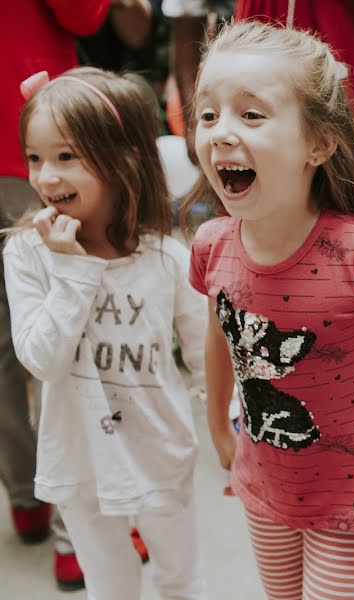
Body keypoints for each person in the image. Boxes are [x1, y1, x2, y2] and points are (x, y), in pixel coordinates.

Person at [186, 21, 354, 599]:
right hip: (263, 484)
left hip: (347, 494)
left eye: (251, 115)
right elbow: (220, 335)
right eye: (208, 115)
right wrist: (218, 430)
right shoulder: (212, 243)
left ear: (319, 143)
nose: (222, 132)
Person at [5, 67, 207, 599]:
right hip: (79, 455)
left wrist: (233, 428)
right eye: (34, 158)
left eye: (66, 157)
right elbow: (41, 360)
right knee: (110, 587)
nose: (47, 177)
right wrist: (71, 270)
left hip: (161, 449)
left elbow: (210, 354)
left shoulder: (166, 258)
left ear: (123, 160)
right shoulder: (27, 255)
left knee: (180, 580)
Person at [0, 0, 111, 590]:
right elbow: (84, 14)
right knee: (69, 332)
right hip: (32, 142)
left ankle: (27, 497)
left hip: (28, 145)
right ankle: (76, 532)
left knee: (14, 338)